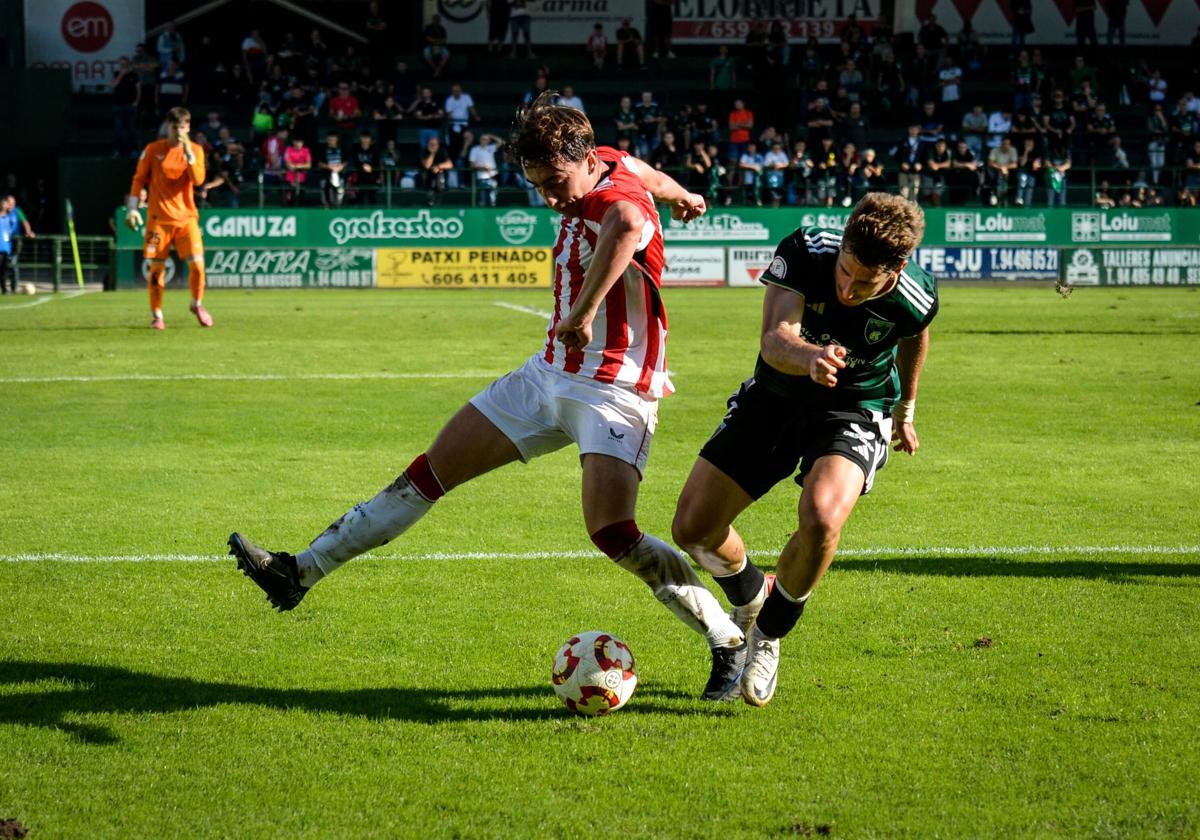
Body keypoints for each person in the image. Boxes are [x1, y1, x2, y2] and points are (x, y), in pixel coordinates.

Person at [228, 91, 750, 701]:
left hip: (613, 390)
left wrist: (582, 313)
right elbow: (647, 174)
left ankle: (726, 639)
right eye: (537, 187)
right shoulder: (610, 161)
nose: (550, 199)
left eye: (556, 183)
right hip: (546, 375)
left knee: (612, 532)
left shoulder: (613, 198)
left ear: (582, 161)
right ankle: (299, 572)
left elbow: (630, 223)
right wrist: (683, 193)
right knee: (428, 473)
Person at [670, 193, 938, 706]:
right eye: (845, 272)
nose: (848, 288)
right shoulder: (805, 250)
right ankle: (753, 596)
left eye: (865, 283)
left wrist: (905, 407)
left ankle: (767, 636)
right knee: (693, 528)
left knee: (820, 516)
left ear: (898, 270)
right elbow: (774, 338)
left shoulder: (917, 294)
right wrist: (813, 356)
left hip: (854, 408)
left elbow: (915, 335)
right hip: (775, 396)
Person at [124, 107, 212, 329]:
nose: (178, 132)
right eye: (175, 128)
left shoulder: (196, 150)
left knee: (198, 267)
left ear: (188, 127)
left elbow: (199, 180)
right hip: (158, 220)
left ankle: (197, 304)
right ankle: (157, 316)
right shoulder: (153, 150)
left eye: (183, 128)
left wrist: (188, 153)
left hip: (186, 219)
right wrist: (133, 209)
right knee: (156, 270)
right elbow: (138, 179)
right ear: (168, 127)